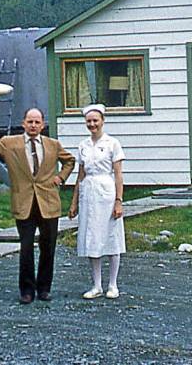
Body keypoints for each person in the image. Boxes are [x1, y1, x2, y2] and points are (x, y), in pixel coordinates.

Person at [0, 108, 75, 304]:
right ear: (23, 123)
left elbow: (70, 161)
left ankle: (44, 289)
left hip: (48, 203)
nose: (33, 125)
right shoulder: (9, 143)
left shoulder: (53, 145)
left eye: (37, 122)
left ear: (43, 125)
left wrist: (60, 178)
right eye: (30, 122)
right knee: (26, 248)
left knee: (49, 248)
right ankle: (27, 290)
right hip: (24, 203)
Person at [68, 104, 126, 299]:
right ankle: (96, 285)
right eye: (89, 121)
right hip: (89, 193)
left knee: (111, 236)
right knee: (92, 237)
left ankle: (113, 284)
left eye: (95, 120)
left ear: (103, 121)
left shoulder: (112, 143)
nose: (92, 124)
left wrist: (119, 200)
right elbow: (80, 175)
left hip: (107, 191)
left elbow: (118, 175)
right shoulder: (83, 145)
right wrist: (74, 202)